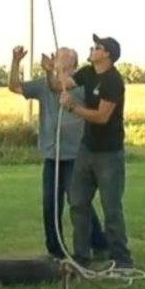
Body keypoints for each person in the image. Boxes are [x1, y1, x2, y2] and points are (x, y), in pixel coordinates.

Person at [9, 45, 108, 260]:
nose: (55, 58)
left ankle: (100, 243)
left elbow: (94, 107)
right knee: (49, 204)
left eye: (60, 56)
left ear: (72, 63)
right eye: (55, 56)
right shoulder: (45, 84)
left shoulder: (81, 85)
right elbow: (14, 87)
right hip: (51, 156)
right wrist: (16, 61)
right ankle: (56, 251)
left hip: (75, 155)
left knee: (78, 202)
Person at [61, 34, 133, 269]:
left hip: (109, 154)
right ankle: (81, 258)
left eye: (97, 47)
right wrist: (54, 71)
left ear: (107, 55)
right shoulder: (87, 72)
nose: (91, 49)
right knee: (78, 203)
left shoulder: (113, 81)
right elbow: (60, 85)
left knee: (111, 209)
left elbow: (102, 117)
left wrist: (73, 106)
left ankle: (122, 261)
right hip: (87, 149)